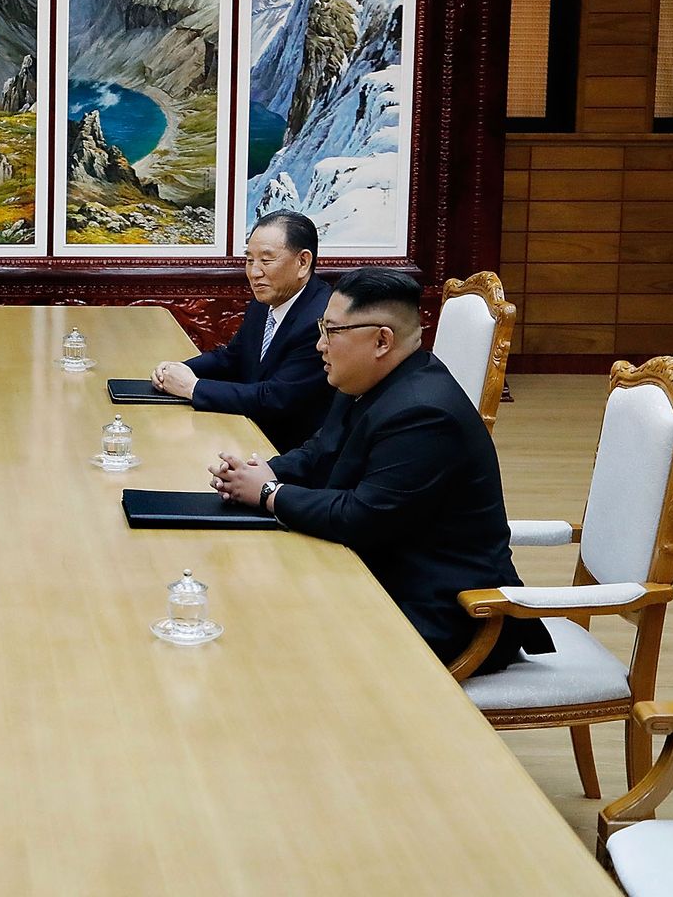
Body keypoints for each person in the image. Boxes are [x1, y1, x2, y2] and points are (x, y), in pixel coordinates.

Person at [207, 266, 553, 674]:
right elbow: (321, 450)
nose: (319, 344)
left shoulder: (424, 412)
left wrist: (269, 494)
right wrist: (261, 470)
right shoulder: (366, 381)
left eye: (331, 332)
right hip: (380, 577)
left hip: (449, 613)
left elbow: (362, 516)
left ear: (381, 340)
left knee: (277, 642)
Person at [152, 210, 333, 451]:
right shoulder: (265, 300)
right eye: (249, 260)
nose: (254, 272)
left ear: (303, 262)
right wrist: (178, 370)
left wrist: (192, 388)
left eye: (266, 261)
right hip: (247, 431)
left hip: (286, 452)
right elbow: (232, 358)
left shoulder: (320, 319)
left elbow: (275, 399)